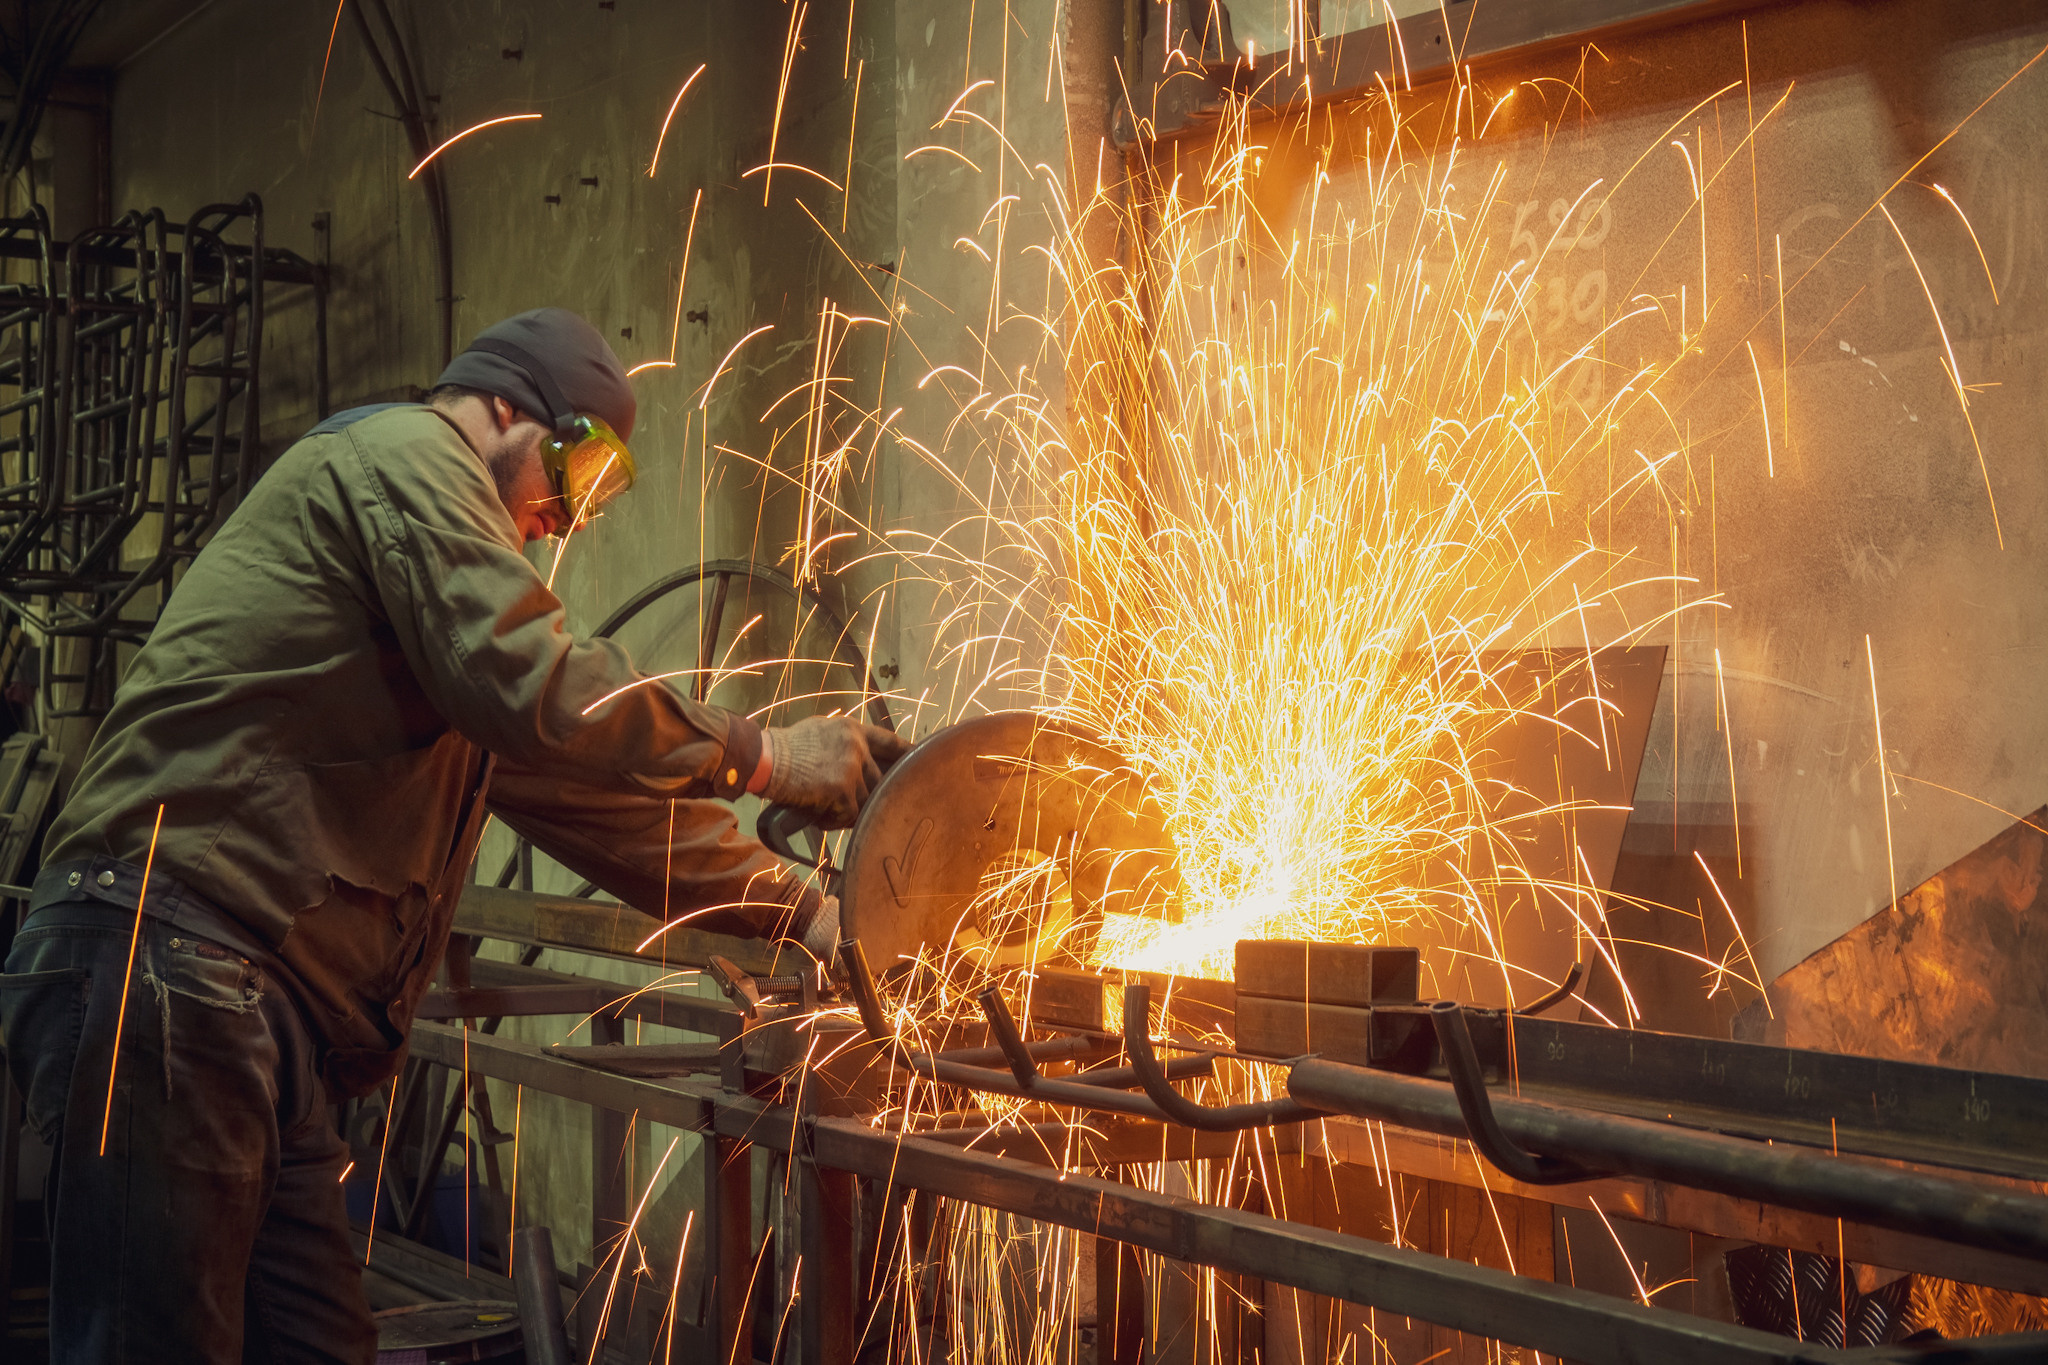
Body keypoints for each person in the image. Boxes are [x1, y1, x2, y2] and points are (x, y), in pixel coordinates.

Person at [0, 307, 904, 1364]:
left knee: (315, 1342)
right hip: (164, 966)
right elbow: (536, 684)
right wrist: (763, 753)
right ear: (501, 407)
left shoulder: (454, 649)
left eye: (601, 495)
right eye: (576, 469)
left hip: (245, 1009)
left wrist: (808, 911)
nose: (567, 517)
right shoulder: (403, 456)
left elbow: (601, 805)